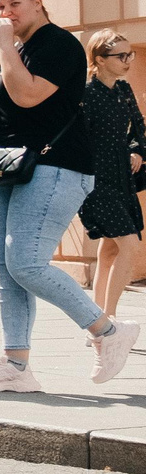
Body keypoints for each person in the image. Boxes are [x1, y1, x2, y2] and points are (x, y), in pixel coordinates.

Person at [0, 0, 140, 390]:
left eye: (14, 5)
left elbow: (27, 96)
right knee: (7, 271)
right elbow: (9, 108)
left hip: (56, 167)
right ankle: (16, 366)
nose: (5, 14)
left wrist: (5, 46)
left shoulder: (59, 45)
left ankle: (108, 332)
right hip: (9, 168)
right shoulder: (19, 48)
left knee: (26, 262)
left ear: (38, 3)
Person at [77, 29, 146, 320]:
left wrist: (137, 151)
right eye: (121, 56)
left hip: (122, 179)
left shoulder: (123, 90)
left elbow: (138, 127)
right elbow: (76, 140)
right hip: (95, 182)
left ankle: (96, 321)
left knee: (109, 252)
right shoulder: (86, 94)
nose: (128, 60)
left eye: (129, 54)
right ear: (100, 59)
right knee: (128, 247)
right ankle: (109, 321)